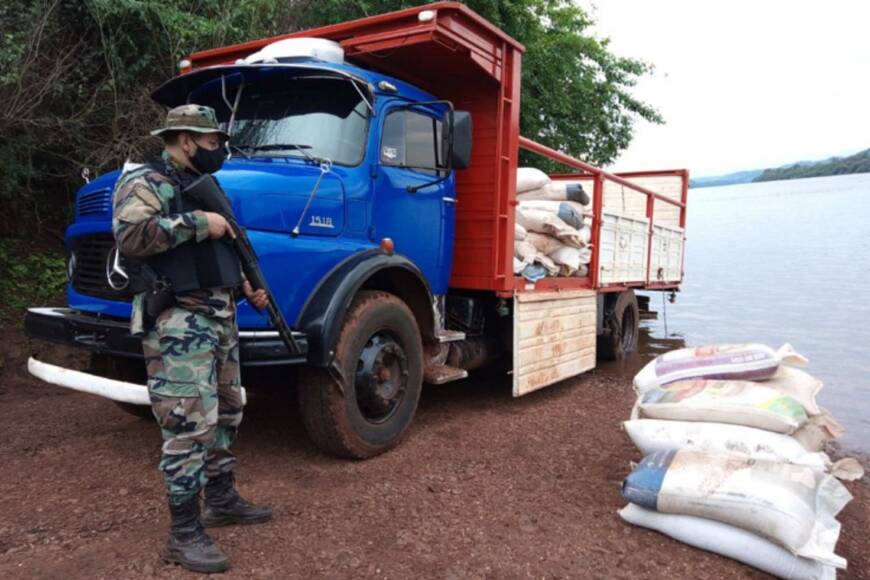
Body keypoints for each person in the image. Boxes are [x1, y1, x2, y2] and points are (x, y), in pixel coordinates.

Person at [112, 104, 272, 573]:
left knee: (226, 411)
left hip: (218, 317)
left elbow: (216, 253)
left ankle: (220, 500)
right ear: (186, 140)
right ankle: (183, 534)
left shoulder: (203, 185)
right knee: (188, 424)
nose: (219, 150)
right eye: (212, 142)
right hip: (178, 321)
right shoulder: (146, 181)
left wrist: (243, 286)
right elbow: (131, 237)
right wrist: (201, 223)